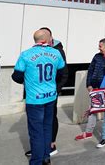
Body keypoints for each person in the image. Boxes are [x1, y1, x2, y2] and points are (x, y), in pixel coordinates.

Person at [12, 29, 65, 165]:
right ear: (48, 40)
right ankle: (46, 157)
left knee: (36, 132)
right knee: (47, 128)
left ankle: (36, 161)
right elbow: (61, 73)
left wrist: (29, 78)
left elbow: (16, 77)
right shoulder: (56, 53)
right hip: (51, 96)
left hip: (34, 99)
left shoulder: (26, 55)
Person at [25, 27, 69, 157]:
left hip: (51, 92)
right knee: (39, 124)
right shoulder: (37, 51)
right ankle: (39, 149)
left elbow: (64, 73)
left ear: (50, 38)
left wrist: (57, 89)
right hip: (37, 94)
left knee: (49, 120)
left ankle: (51, 145)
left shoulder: (57, 51)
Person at [75, 38, 105, 140]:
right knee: (93, 109)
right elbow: (90, 70)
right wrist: (88, 84)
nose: (98, 48)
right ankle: (88, 132)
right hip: (95, 88)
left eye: (100, 46)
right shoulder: (97, 56)